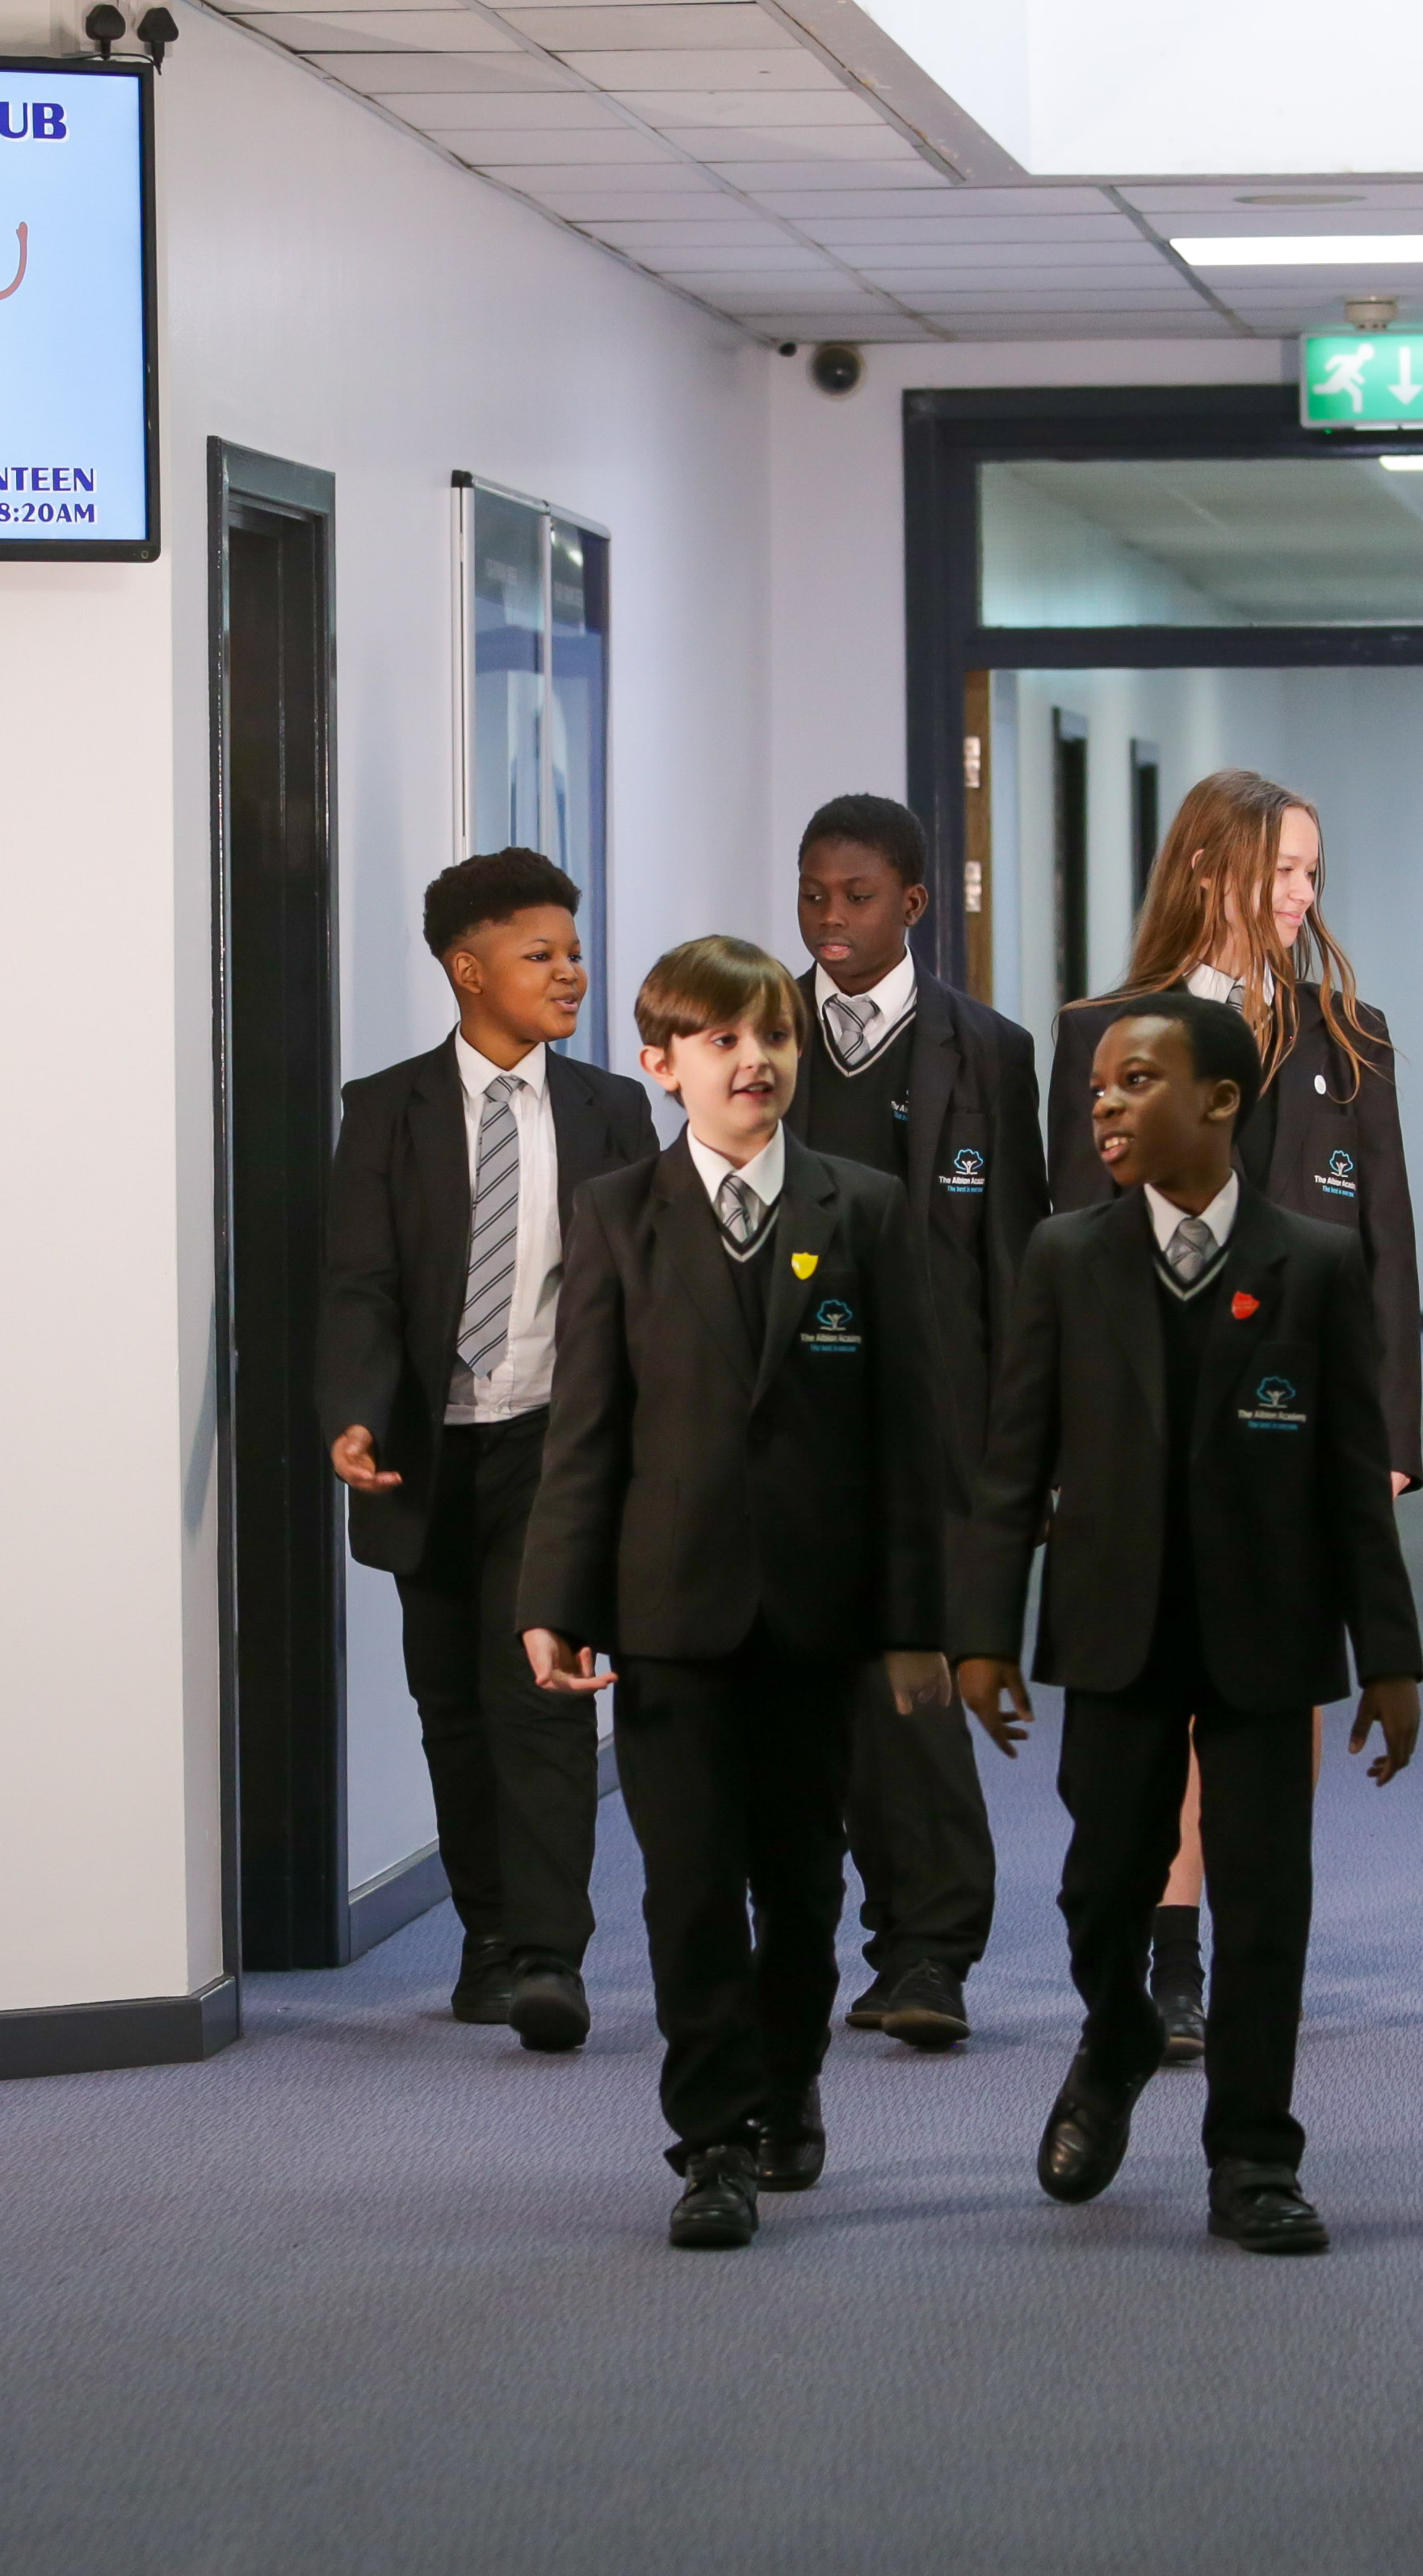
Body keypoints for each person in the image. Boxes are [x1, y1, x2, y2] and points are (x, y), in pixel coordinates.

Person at [953, 991, 1422, 2259]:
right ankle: (1114, 2039)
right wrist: (983, 1631)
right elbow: (1014, 1462)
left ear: (1220, 1102)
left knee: (1265, 1902)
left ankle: (1255, 2157)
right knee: (1100, 1886)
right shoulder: (1065, 1256)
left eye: (1137, 1081)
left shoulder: (1314, 1262)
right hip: (1114, 1631)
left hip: (1269, 1634)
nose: (1104, 1103)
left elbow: (1350, 1479)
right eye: (1098, 1086)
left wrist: (1389, 1657)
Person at [516, 937, 949, 2249]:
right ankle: (711, 2140)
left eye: (773, 1036)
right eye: (721, 1040)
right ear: (663, 1065)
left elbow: (909, 1433)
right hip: (672, 1610)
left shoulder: (865, 1209)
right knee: (691, 1887)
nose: (753, 1060)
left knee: (803, 1882)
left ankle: (788, 2077)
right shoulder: (617, 1215)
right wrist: (553, 1598)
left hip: (821, 1617)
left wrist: (918, 1620)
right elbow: (585, 1430)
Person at [1040, 768, 1421, 2067]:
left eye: (1315, 872)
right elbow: (1071, 1246)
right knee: (1156, 1703)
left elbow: (1387, 1247)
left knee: (1272, 1697)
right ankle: (1171, 1956)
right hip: (1145, 1433)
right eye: (1282, 870)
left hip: (1293, 1426)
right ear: (1211, 869)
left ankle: (1254, 1937)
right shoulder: (1104, 1032)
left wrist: (1392, 1442)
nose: (1304, 895)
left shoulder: (1350, 1036)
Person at [318, 851, 661, 2051]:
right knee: (454, 1707)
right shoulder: (387, 1109)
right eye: (540, 955)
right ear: (469, 970)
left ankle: (551, 1957)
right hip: (427, 1453)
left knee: (543, 1696)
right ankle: (490, 1939)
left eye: (575, 952)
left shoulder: (611, 1112)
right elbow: (359, 1285)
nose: (571, 973)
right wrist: (354, 1415)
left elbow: (639, 1295)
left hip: (555, 1446)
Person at [787, 792, 1049, 2053]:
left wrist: (1025, 1449)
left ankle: (934, 1951)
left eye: (857, 896)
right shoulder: (759, 1030)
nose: (830, 919)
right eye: (813, 895)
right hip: (789, 1424)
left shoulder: (987, 1051)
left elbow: (1018, 1262)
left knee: (917, 1691)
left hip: (938, 1427)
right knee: (820, 1704)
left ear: (915, 904)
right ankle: (874, 1943)